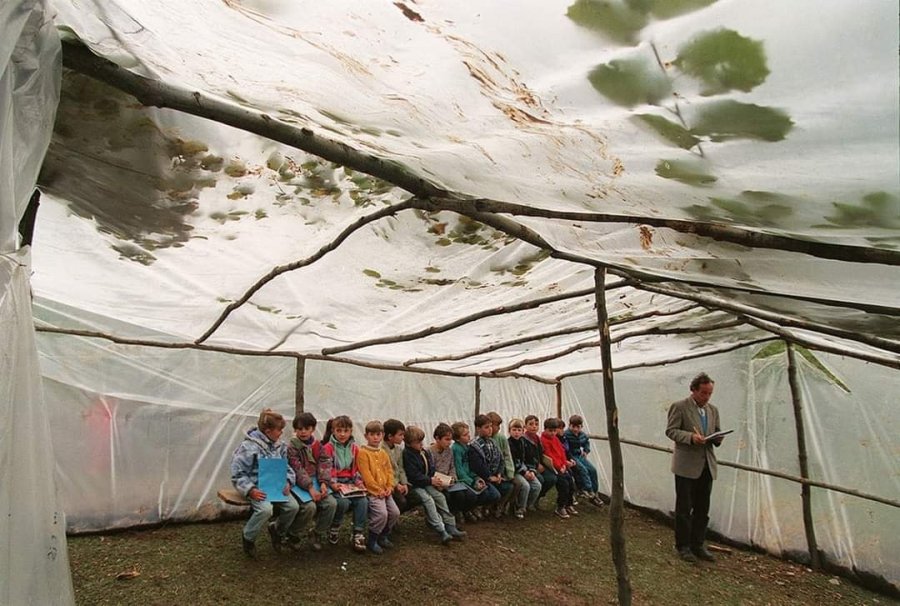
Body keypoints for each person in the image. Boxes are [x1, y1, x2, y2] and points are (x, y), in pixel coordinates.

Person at [665, 372, 724, 563]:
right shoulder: (680, 407)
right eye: (704, 393)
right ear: (694, 390)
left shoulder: (712, 410)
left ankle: (698, 544)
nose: (707, 397)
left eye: (710, 393)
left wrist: (717, 438)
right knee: (684, 507)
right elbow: (671, 431)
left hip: (706, 464)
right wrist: (691, 437)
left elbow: (716, 431)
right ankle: (683, 546)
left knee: (702, 507)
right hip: (686, 466)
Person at [230, 408, 299, 558]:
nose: (281, 433)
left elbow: (286, 467)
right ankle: (248, 537)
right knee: (265, 510)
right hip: (258, 488)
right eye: (279, 430)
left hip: (276, 487)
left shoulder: (279, 446)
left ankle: (277, 531)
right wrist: (250, 490)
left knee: (293, 507)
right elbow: (237, 473)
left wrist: (287, 481)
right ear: (268, 431)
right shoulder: (248, 447)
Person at [402, 426, 467, 545]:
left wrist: (437, 479)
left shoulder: (422, 452)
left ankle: (450, 525)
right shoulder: (408, 455)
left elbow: (431, 468)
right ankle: (441, 530)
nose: (421, 444)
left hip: (427, 481)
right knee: (428, 500)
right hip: (416, 485)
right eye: (418, 442)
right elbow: (413, 476)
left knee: (440, 497)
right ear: (409, 443)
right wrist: (430, 480)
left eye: (421, 441)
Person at [286, 412, 337, 551]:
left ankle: (317, 533)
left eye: (306, 428)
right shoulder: (292, 447)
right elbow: (297, 469)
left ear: (313, 429)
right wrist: (310, 488)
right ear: (295, 430)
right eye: (299, 429)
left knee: (331, 504)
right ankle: (293, 533)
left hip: (317, 480)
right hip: (299, 483)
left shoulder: (317, 445)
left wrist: (323, 483)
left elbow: (325, 462)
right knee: (309, 507)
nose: (303, 432)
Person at [319, 415, 368, 553]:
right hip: (334, 483)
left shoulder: (354, 448)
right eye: (339, 430)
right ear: (333, 431)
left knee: (363, 501)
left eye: (345, 431)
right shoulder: (328, 447)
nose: (342, 434)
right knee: (343, 503)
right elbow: (325, 468)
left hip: (350, 482)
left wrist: (359, 483)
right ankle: (334, 527)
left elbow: (356, 469)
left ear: (351, 431)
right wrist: (333, 483)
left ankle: (358, 533)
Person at [356, 420, 401, 554]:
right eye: (372, 434)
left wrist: (389, 487)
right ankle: (373, 539)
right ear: (366, 436)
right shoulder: (363, 453)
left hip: (385, 491)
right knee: (381, 514)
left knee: (395, 513)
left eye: (378, 434)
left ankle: (383, 535)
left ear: (382, 435)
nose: (375, 437)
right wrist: (377, 490)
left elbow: (389, 471)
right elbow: (366, 475)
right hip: (373, 492)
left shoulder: (383, 453)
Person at [429, 423, 477, 524]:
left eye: (450, 439)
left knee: (470, 495)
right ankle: (452, 516)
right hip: (437, 482)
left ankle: (463, 511)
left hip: (449, 481)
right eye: (446, 439)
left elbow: (452, 467)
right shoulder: (429, 452)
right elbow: (430, 471)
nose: (449, 442)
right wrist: (441, 481)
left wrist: (452, 478)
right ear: (437, 438)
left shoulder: (449, 451)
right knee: (456, 495)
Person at [451, 421, 499, 521]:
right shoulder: (456, 449)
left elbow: (470, 468)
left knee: (486, 492)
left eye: (468, 433)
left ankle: (472, 509)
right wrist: (472, 482)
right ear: (457, 438)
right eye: (465, 435)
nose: (468, 436)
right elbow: (459, 469)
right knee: (470, 495)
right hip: (462, 480)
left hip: (470, 477)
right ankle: (463, 511)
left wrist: (477, 478)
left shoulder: (468, 447)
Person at [468, 414, 511, 518]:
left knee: (508, 487)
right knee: (494, 494)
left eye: (491, 426)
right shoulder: (475, 446)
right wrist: (490, 478)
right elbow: (478, 466)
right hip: (481, 477)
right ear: (478, 429)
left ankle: (489, 507)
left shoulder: (492, 442)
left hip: (494, 475)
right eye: (486, 427)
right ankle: (476, 507)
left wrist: (499, 473)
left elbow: (500, 459)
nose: (490, 429)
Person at [562, 414, 605, 508]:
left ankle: (594, 492)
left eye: (578, 427)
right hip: (571, 456)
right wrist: (568, 458)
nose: (575, 429)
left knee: (593, 470)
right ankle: (587, 490)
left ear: (581, 427)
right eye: (573, 426)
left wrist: (586, 451)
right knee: (582, 470)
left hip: (579, 455)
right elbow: (564, 447)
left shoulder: (582, 435)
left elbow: (586, 443)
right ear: (569, 425)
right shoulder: (566, 435)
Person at [541, 417, 576, 519]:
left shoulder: (555, 439)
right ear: (545, 429)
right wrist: (559, 466)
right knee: (563, 485)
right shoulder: (544, 440)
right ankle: (560, 507)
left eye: (554, 431)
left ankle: (568, 504)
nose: (552, 433)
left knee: (571, 482)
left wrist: (564, 463)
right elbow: (549, 456)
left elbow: (562, 452)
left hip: (561, 466)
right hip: (554, 468)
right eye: (550, 431)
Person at [507, 418, 542, 519]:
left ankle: (527, 504)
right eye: (514, 430)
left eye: (519, 430)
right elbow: (512, 462)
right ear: (509, 431)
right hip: (514, 471)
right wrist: (524, 473)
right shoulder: (509, 444)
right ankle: (519, 508)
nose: (516, 433)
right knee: (525, 485)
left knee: (537, 485)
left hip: (525, 469)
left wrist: (531, 471)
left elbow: (529, 458)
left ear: (523, 431)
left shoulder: (523, 443)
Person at [486, 411, 517, 516]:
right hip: (491, 473)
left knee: (517, 484)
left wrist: (510, 472)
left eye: (499, 426)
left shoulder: (501, 438)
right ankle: (489, 507)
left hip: (503, 471)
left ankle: (503, 505)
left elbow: (507, 456)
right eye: (496, 425)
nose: (498, 428)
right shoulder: (485, 440)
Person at [524, 414, 556, 505]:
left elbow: (540, 453)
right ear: (525, 426)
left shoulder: (537, 438)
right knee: (540, 480)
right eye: (531, 424)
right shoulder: (524, 439)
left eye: (536, 424)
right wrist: (535, 466)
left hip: (539, 465)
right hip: (529, 467)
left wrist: (542, 463)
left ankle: (538, 497)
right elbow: (526, 457)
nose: (534, 426)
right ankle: (528, 502)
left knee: (552, 478)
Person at [382, 418, 413, 512]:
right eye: (400, 435)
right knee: (401, 501)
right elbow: (384, 471)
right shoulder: (381, 450)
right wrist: (396, 485)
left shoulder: (398, 449)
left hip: (399, 482)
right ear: (390, 436)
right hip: (388, 483)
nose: (403, 437)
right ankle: (391, 520)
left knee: (417, 497)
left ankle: (397, 515)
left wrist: (404, 483)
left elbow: (401, 468)